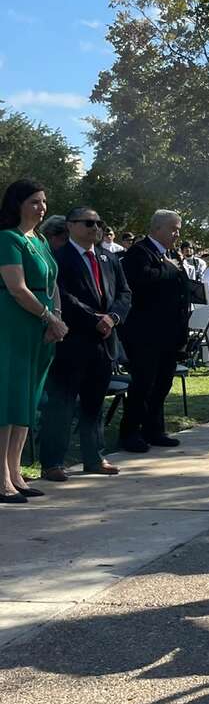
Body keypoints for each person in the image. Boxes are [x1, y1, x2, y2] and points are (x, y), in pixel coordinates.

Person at [40, 206, 131, 481]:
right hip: (73, 340)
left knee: (94, 402)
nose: (95, 228)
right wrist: (95, 319)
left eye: (99, 222)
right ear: (70, 226)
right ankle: (53, 461)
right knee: (62, 403)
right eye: (88, 223)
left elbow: (124, 293)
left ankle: (94, 457)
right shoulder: (58, 257)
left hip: (104, 342)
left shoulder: (108, 257)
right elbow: (63, 296)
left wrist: (113, 318)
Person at [0, 180, 68, 503]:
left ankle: (16, 472)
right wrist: (48, 317)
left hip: (41, 327)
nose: (41, 207)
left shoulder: (40, 240)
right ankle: (0, 478)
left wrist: (56, 318)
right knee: (9, 400)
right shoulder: (8, 239)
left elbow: (52, 283)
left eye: (43, 201)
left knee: (28, 399)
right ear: (17, 204)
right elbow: (17, 287)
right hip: (14, 325)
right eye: (33, 202)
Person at [117, 210, 190, 452]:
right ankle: (130, 432)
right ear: (157, 228)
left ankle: (154, 429)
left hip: (169, 331)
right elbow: (142, 280)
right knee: (143, 383)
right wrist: (170, 269)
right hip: (145, 332)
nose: (177, 234)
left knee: (163, 383)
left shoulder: (170, 254)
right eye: (173, 228)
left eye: (178, 229)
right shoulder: (139, 252)